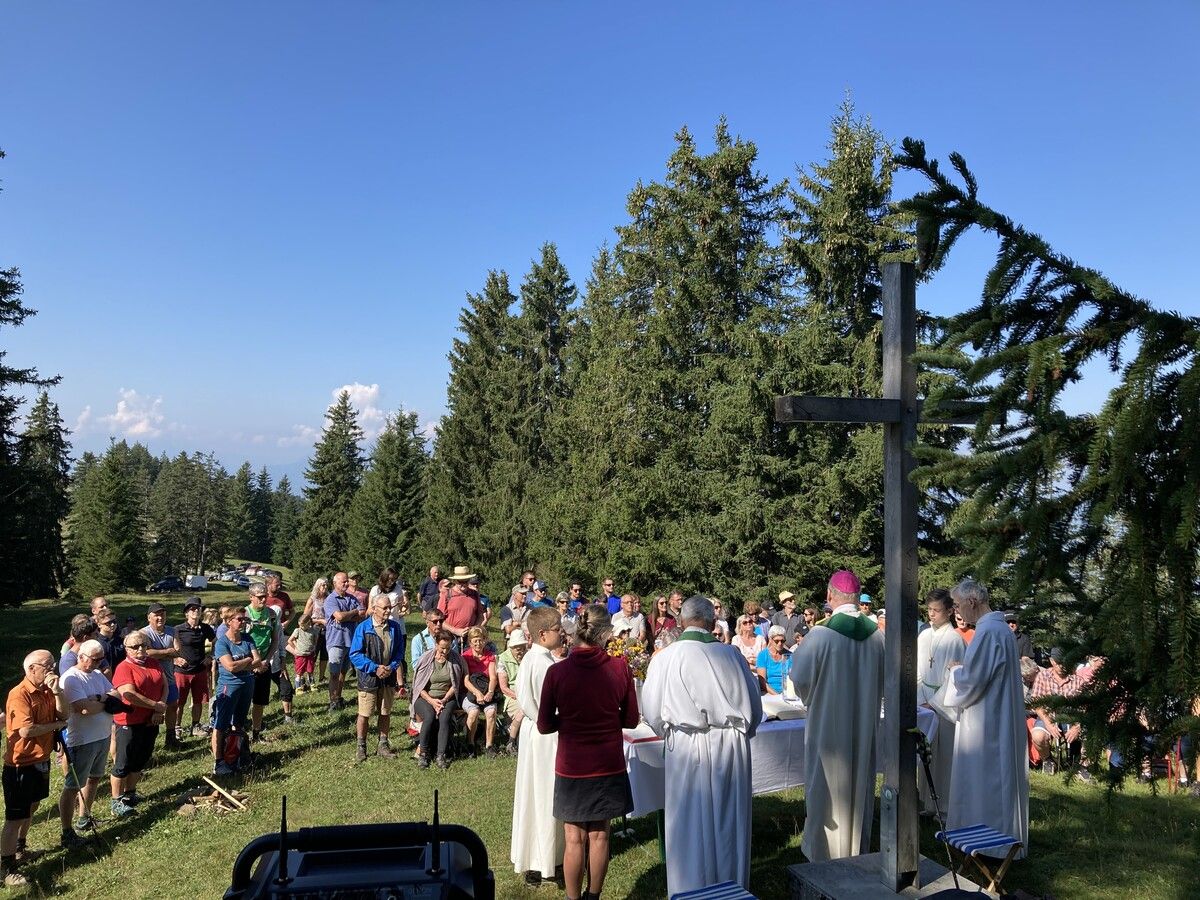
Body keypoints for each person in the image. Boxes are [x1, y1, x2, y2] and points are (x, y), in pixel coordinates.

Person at [642, 595, 762, 896]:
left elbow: (653, 712)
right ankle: (731, 887)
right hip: (730, 746)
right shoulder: (732, 656)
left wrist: (672, 730)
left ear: (681, 621)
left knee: (689, 822)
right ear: (712, 622)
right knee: (728, 819)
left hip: (687, 746)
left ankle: (690, 888)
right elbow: (755, 710)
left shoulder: (666, 657)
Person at [537, 605, 638, 900]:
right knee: (600, 835)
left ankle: (573, 898)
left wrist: (568, 721)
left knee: (573, 839)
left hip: (572, 766)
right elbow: (631, 720)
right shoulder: (620, 667)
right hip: (608, 764)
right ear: (606, 633)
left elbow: (544, 724)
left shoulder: (556, 672)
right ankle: (594, 896)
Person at [789, 569, 884, 863]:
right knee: (859, 786)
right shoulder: (878, 638)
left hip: (828, 729)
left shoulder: (820, 635)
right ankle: (857, 849)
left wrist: (811, 698)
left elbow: (800, 679)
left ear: (830, 596)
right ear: (858, 599)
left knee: (827, 788)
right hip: (864, 725)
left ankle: (823, 852)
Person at [931, 578, 1029, 859]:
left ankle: (990, 843)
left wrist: (954, 671)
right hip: (997, 712)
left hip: (987, 720)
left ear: (973, 602)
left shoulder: (987, 633)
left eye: (960, 605)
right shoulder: (999, 630)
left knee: (985, 779)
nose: (959, 612)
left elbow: (973, 680)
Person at [3, 651, 69, 886]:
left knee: (33, 806)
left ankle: (20, 848)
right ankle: (6, 868)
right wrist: (57, 725)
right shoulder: (19, 694)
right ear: (31, 669)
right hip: (20, 764)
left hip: (41, 759)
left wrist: (58, 691)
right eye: (47, 666)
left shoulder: (47, 689)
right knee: (14, 816)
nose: (52, 669)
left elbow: (65, 713)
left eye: (54, 664)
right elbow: (26, 730)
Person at [511, 606, 565, 886]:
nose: (563, 633)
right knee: (545, 797)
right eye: (558, 629)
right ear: (542, 634)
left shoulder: (532, 660)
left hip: (533, 733)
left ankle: (534, 858)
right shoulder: (544, 664)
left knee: (533, 795)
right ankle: (549, 860)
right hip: (547, 735)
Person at [58, 639, 115, 846]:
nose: (99, 663)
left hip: (102, 736)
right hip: (82, 741)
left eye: (101, 659)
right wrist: (104, 702)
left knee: (94, 778)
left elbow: (115, 694)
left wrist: (97, 698)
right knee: (73, 785)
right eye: (94, 659)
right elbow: (83, 708)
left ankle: (85, 817)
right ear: (81, 656)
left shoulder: (98, 674)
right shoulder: (71, 678)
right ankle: (66, 831)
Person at [916, 588, 966, 817]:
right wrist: (919, 698)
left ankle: (944, 809)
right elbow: (917, 670)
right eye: (929, 610)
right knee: (926, 753)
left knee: (943, 757)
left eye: (937, 610)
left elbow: (953, 677)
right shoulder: (924, 635)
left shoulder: (954, 639)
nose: (932, 614)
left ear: (949, 611)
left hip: (943, 705)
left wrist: (934, 702)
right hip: (923, 699)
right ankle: (927, 802)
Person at [111, 632, 167, 817]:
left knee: (140, 758)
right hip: (129, 721)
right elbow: (128, 694)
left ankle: (130, 793)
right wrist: (154, 705)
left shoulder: (153, 663)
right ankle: (116, 800)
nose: (140, 649)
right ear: (127, 649)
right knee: (123, 762)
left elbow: (164, 684)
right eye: (135, 647)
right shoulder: (124, 668)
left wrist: (159, 710)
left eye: (143, 645)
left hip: (151, 720)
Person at [348, 594, 405, 762]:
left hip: (388, 677)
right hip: (369, 679)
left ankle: (383, 745)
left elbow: (399, 652)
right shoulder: (363, 628)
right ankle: (361, 746)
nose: (388, 611)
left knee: (385, 712)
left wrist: (392, 667)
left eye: (390, 607)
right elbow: (355, 654)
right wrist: (374, 668)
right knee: (364, 714)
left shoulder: (394, 627)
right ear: (374, 608)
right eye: (385, 608)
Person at [211, 607, 263, 776]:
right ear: (228, 622)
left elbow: (259, 661)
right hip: (228, 686)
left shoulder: (247, 639)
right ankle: (219, 762)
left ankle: (236, 755)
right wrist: (248, 660)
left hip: (247, 684)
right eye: (239, 619)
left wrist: (247, 663)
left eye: (244, 619)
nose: (243, 622)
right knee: (221, 724)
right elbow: (230, 667)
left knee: (239, 722)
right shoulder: (222, 643)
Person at [411, 632, 465, 769]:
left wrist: (445, 700)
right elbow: (419, 687)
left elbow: (456, 684)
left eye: (448, 648)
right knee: (429, 716)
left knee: (445, 717)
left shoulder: (455, 659)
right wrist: (432, 701)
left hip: (447, 697)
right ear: (436, 645)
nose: (445, 651)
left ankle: (441, 754)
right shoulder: (426, 659)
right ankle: (423, 753)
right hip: (425, 697)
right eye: (442, 648)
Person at [245, 583, 286, 740]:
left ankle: (256, 733)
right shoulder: (244, 614)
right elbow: (239, 641)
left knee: (259, 702)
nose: (263, 599)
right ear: (251, 597)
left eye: (265, 596)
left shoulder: (271, 614)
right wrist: (253, 663)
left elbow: (275, 639)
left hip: (264, 663)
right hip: (247, 664)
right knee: (243, 702)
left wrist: (267, 660)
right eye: (259, 597)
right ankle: (239, 734)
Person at [174, 597, 216, 739]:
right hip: (182, 672)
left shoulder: (206, 628)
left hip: (200, 670)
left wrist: (211, 657)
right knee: (179, 701)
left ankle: (195, 726)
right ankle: (177, 727)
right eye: (192, 609)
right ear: (186, 613)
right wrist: (175, 659)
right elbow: (169, 646)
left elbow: (216, 642)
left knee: (198, 701)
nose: (196, 611)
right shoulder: (178, 629)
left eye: (198, 608)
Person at [141, 603, 181, 749]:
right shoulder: (143, 633)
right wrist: (167, 652)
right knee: (151, 709)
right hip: (152, 679)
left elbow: (178, 651)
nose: (160, 618)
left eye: (162, 614)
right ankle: (148, 742)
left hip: (169, 677)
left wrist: (158, 653)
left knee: (172, 706)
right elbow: (147, 654)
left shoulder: (172, 630)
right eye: (156, 615)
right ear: (149, 618)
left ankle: (170, 737)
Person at [324, 572, 364, 711]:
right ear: (335, 584)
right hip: (336, 641)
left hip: (350, 640)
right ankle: (333, 702)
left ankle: (338, 698)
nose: (347, 584)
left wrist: (347, 615)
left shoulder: (351, 598)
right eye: (344, 582)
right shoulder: (330, 600)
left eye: (347, 581)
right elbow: (339, 617)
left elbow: (362, 614)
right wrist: (352, 613)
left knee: (343, 673)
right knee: (334, 674)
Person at [462, 626, 501, 757]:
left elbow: (493, 677)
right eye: (475, 640)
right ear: (470, 642)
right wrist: (477, 693)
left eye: (481, 640)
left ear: (485, 640)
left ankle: (489, 745)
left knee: (491, 712)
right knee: (473, 713)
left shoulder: (490, 656)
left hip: (487, 690)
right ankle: (470, 743)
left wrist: (490, 692)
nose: (478, 643)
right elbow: (466, 680)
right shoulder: (465, 656)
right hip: (471, 692)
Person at [497, 631, 527, 753]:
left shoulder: (528, 656)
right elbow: (504, 687)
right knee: (523, 712)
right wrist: (520, 697)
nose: (521, 652)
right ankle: (511, 741)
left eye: (523, 649)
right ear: (511, 648)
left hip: (527, 693)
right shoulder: (503, 659)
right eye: (518, 650)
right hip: (511, 695)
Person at [439, 567, 484, 641]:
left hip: (470, 637)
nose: (463, 584)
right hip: (450, 637)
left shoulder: (474, 594)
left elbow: (480, 615)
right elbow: (440, 620)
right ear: (455, 581)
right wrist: (456, 631)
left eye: (465, 581)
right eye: (460, 582)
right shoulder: (446, 595)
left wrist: (473, 629)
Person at [302, 577, 330, 686]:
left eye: (326, 585)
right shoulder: (312, 600)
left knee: (325, 654)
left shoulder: (329, 598)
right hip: (315, 629)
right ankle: (310, 677)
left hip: (327, 630)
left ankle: (322, 676)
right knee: (313, 654)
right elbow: (305, 618)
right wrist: (320, 620)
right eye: (323, 585)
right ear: (318, 586)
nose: (325, 587)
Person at [286, 613, 319, 692]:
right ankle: (298, 687)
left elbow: (315, 640)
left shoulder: (313, 631)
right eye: (300, 625)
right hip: (300, 655)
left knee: (310, 670)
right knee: (299, 672)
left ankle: (312, 685)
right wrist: (296, 649)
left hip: (310, 654)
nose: (301, 627)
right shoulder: (297, 630)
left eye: (303, 625)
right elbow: (290, 640)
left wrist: (314, 647)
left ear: (309, 623)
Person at [756, 626, 791, 694]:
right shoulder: (763, 655)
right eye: (777, 641)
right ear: (770, 640)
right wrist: (776, 695)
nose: (780, 644)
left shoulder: (789, 656)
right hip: (768, 692)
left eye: (782, 641)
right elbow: (762, 682)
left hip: (787, 692)